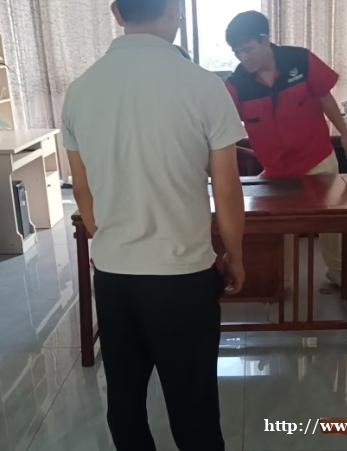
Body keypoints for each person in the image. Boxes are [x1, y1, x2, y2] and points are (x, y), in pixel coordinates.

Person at [62, 1, 246, 450]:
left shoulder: (81, 90)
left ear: (116, 13)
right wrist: (235, 255)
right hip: (182, 276)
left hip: (113, 275)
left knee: (124, 398)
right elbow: (226, 189)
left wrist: (112, 239)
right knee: (193, 404)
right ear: (176, 12)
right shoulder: (203, 84)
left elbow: (82, 189)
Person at [225, 10, 347, 296]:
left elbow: (324, 97)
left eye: (248, 49)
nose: (243, 58)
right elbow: (223, 126)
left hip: (317, 158)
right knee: (279, 230)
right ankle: (281, 281)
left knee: (331, 224)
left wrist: (345, 135)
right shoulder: (237, 84)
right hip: (276, 170)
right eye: (237, 52)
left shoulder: (300, 60)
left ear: (265, 40)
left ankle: (339, 275)